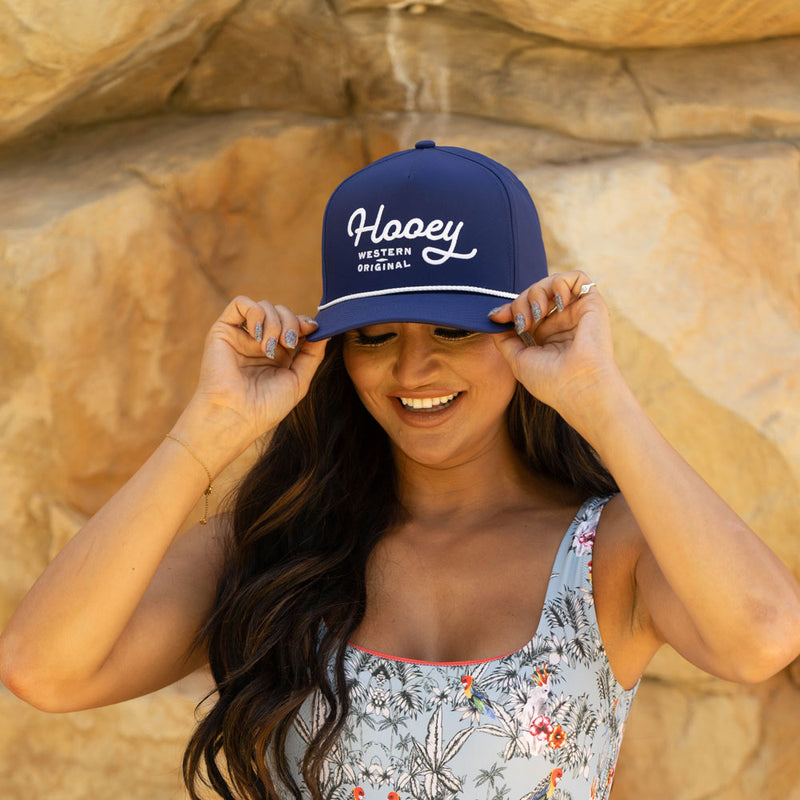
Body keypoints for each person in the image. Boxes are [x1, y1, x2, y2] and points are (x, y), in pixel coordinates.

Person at [1, 141, 799, 800]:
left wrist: (601, 398)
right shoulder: (273, 547)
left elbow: (762, 638)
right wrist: (207, 431)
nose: (412, 370)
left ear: (519, 327)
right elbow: (44, 669)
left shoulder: (610, 552)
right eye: (375, 335)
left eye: (451, 330)